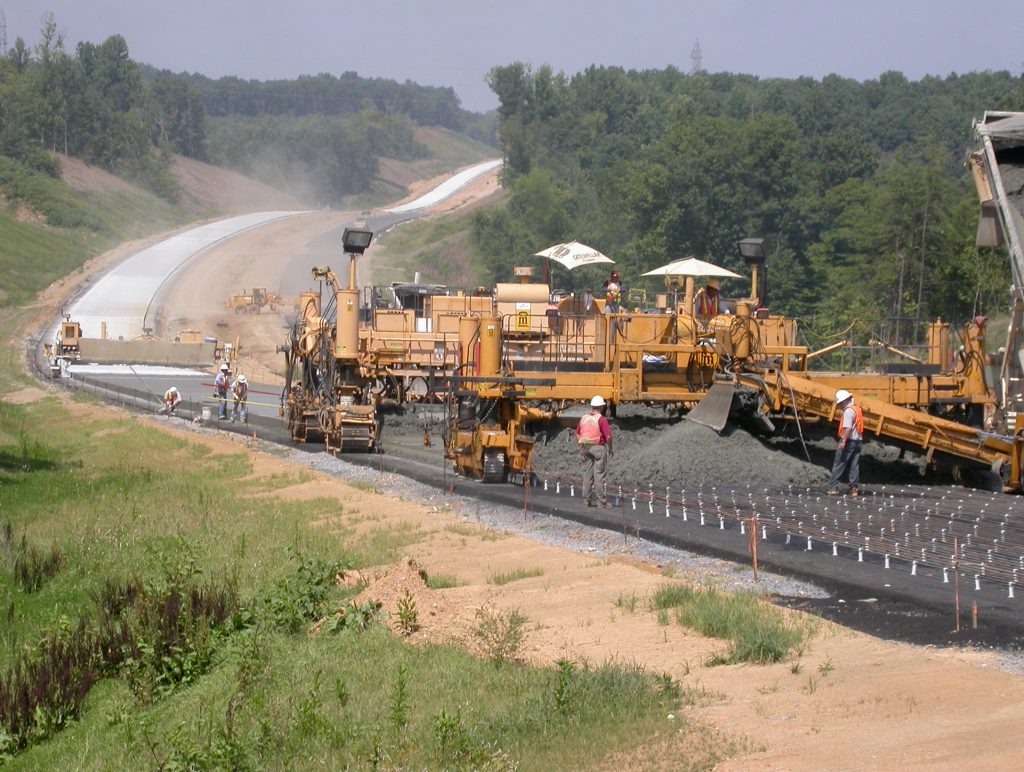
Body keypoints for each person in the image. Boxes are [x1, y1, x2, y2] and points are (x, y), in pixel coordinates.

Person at [576, 395, 614, 508]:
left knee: (587, 475)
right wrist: (611, 448)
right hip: (598, 448)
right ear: (601, 407)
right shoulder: (601, 419)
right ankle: (601, 502)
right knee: (599, 475)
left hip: (585, 448)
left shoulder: (584, 418)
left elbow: (577, 433)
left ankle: (585, 500)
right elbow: (608, 437)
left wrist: (582, 445)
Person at [828, 389, 863, 496]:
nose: (839, 406)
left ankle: (834, 488)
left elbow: (847, 428)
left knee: (839, 464)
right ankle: (854, 489)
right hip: (858, 441)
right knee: (854, 465)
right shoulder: (857, 409)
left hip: (849, 441)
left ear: (843, 401)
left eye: (839, 403)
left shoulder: (848, 411)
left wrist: (843, 441)